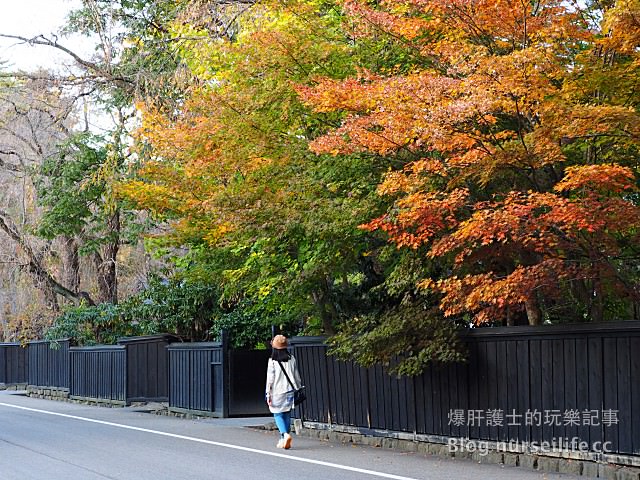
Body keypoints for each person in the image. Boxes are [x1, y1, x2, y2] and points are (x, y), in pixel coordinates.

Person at [265, 334, 302, 449]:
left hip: (277, 391)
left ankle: (285, 435)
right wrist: (299, 387)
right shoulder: (292, 358)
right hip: (290, 390)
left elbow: (270, 380)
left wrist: (268, 394)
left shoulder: (272, 361)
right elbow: (296, 375)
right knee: (286, 413)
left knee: (277, 413)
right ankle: (283, 439)